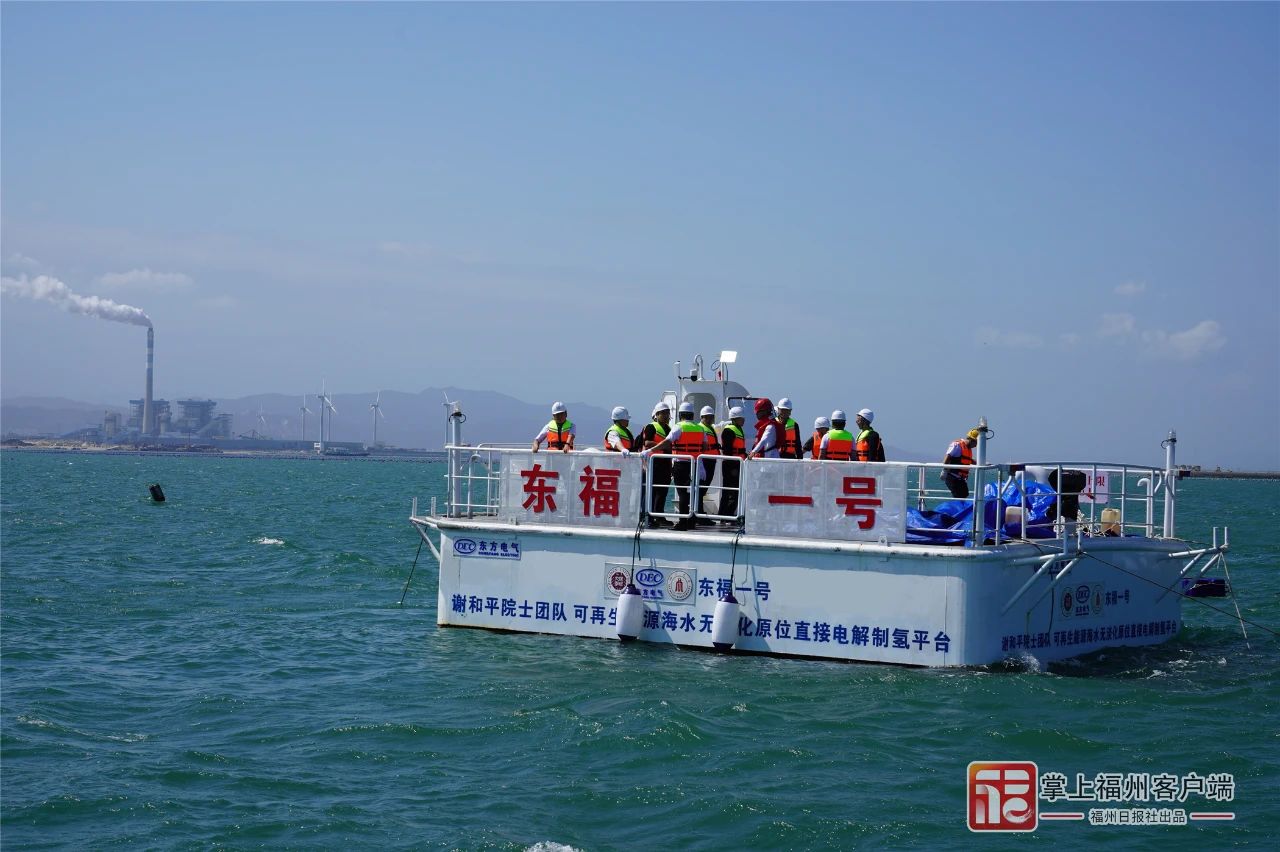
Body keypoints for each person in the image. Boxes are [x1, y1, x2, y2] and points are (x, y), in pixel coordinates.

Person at [642, 401, 706, 530]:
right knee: (693, 492)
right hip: (695, 464)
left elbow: (668, 442)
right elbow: (704, 446)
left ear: (680, 414)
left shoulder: (678, 427)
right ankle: (691, 521)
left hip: (680, 464)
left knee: (682, 493)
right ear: (693, 415)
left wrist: (650, 451)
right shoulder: (700, 428)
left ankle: (682, 522)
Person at [638, 403, 673, 527]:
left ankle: (659, 516)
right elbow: (647, 443)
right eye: (663, 413)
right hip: (655, 463)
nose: (666, 415)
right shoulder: (651, 427)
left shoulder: (669, 428)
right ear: (657, 415)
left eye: (667, 413)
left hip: (666, 463)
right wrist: (664, 446)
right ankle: (650, 517)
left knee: (663, 491)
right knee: (653, 490)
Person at [718, 406, 748, 521]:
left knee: (735, 491)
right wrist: (733, 467)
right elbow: (727, 450)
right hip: (731, 465)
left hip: (737, 463)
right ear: (735, 419)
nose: (743, 420)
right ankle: (725, 516)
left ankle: (727, 515)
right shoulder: (729, 431)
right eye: (741, 418)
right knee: (729, 491)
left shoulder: (738, 429)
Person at [941, 429, 980, 498]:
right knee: (958, 496)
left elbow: (968, 460)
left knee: (965, 494)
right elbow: (946, 459)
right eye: (976, 443)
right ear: (971, 440)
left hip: (961, 479)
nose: (976, 445)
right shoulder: (957, 445)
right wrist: (944, 471)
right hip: (952, 477)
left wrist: (981, 463)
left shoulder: (968, 449)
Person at [697, 405, 720, 519]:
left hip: (711, 460)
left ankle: (700, 512)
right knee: (701, 488)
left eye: (711, 417)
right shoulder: (701, 428)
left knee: (704, 488)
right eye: (708, 417)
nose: (710, 419)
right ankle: (699, 513)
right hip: (705, 461)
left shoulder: (709, 427)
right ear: (702, 417)